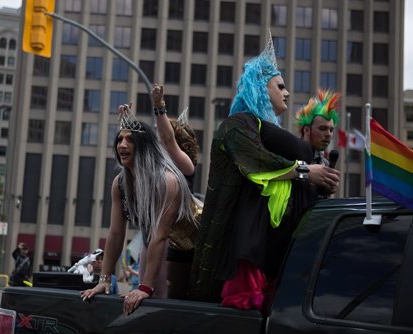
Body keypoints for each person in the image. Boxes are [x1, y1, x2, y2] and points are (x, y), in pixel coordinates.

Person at [189, 32, 340, 312]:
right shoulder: (237, 124)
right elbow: (258, 163)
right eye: (280, 86)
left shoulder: (267, 131)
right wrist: (308, 173)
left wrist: (318, 185)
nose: (287, 92)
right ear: (260, 86)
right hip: (241, 260)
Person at [81, 110, 195, 316]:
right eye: (119, 140)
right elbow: (116, 233)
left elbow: (161, 236)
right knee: (146, 309)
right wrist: (104, 280)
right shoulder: (120, 184)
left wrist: (145, 287)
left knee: (169, 310)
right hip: (153, 245)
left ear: (144, 146)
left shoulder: (168, 181)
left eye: (130, 140)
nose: (122, 145)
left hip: (188, 250)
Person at [151, 83, 201, 299]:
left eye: (163, 139)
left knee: (175, 296)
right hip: (157, 240)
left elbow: (168, 139)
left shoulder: (186, 166)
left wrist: (158, 106)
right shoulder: (158, 169)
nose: (160, 142)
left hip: (183, 245)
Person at [295, 89, 341, 167]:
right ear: (306, 130)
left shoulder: (325, 164)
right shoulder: (290, 157)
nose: (328, 134)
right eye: (322, 128)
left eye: (331, 130)